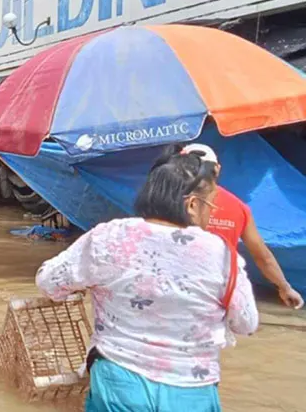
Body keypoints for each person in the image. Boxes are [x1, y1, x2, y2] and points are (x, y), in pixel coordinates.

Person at [36, 153, 257, 411]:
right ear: (193, 205)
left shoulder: (109, 236)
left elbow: (49, 282)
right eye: (211, 205)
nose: (211, 214)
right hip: (192, 390)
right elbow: (246, 322)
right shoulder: (222, 254)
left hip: (119, 382)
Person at [179, 144, 303, 309]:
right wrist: (285, 288)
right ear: (217, 169)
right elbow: (262, 256)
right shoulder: (238, 207)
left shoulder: (168, 201)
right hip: (218, 294)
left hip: (176, 289)